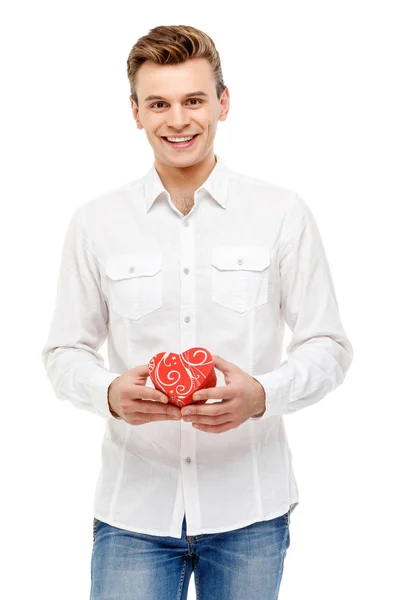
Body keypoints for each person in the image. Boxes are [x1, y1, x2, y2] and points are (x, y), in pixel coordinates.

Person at [41, 24, 354, 600]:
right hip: (134, 513)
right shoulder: (95, 222)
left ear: (223, 103)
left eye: (194, 100)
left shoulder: (282, 213)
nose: (178, 120)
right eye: (158, 103)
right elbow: (64, 350)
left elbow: (328, 345)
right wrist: (109, 392)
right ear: (135, 112)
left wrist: (262, 394)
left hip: (250, 511)